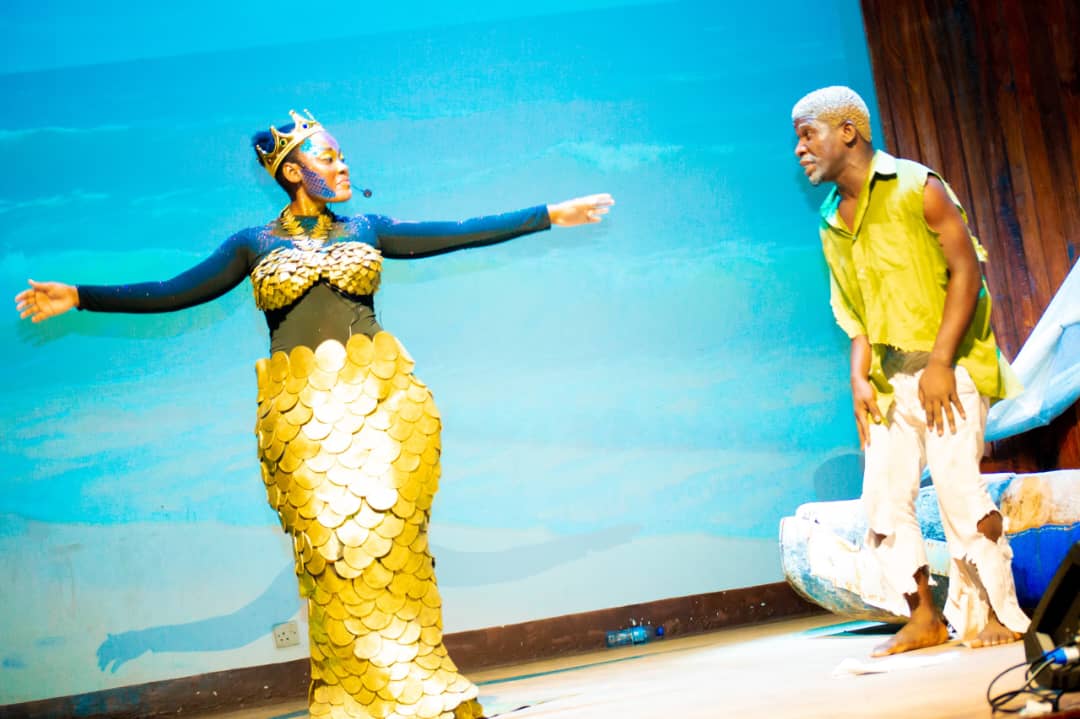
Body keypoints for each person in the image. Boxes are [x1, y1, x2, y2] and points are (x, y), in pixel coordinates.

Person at [15, 109, 614, 719]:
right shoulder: (254, 243)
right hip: (303, 421)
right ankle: (360, 694)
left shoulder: (368, 227)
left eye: (341, 156)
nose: (343, 165)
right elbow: (176, 290)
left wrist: (549, 214)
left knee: (393, 549)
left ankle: (418, 685)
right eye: (328, 157)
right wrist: (82, 296)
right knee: (332, 551)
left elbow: (457, 231)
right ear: (294, 172)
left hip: (384, 411)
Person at [790, 87, 1029, 656]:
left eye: (808, 134)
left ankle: (1001, 611)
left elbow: (966, 272)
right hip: (890, 376)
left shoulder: (917, 187)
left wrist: (941, 361)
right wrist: (858, 378)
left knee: (959, 491)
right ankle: (924, 616)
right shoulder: (831, 220)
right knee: (883, 499)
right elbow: (856, 314)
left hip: (950, 365)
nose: (800, 149)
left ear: (848, 131)